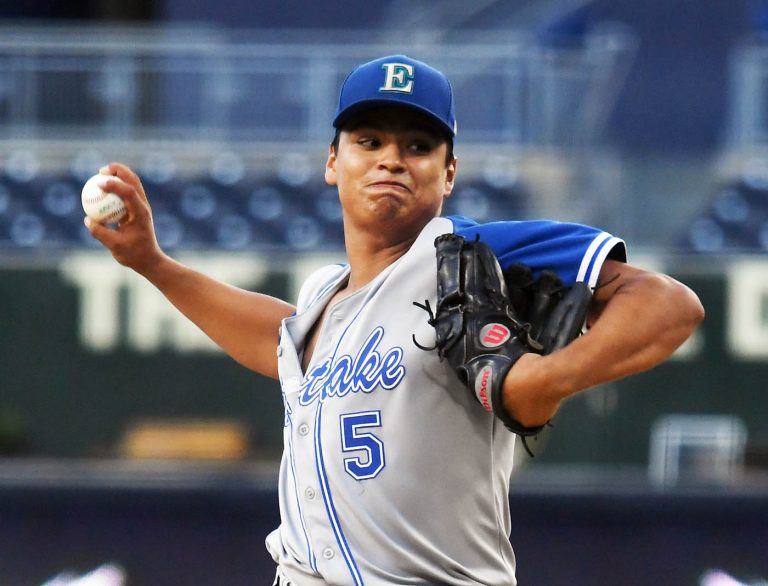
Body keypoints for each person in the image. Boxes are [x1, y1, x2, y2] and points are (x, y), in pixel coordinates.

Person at [86, 55, 704, 586]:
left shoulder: (469, 251)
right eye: (369, 141)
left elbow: (671, 306)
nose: (392, 160)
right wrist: (153, 264)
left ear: (449, 173)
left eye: (417, 145)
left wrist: (546, 380)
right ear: (333, 161)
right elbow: (280, 341)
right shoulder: (321, 298)